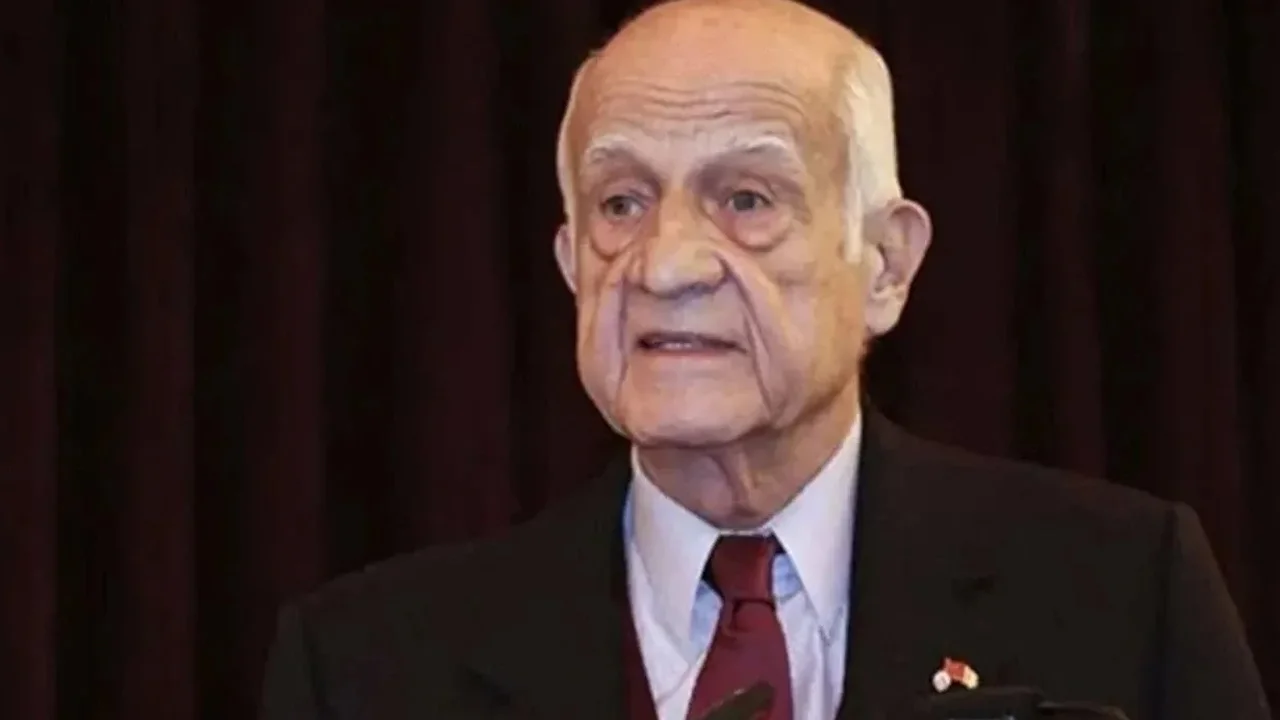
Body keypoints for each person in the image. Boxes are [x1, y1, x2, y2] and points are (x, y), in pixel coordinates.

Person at [259, 1, 1271, 718]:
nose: (665, 264)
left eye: (746, 199)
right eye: (621, 203)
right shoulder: (364, 668)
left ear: (884, 265)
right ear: (571, 265)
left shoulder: (1120, 594)